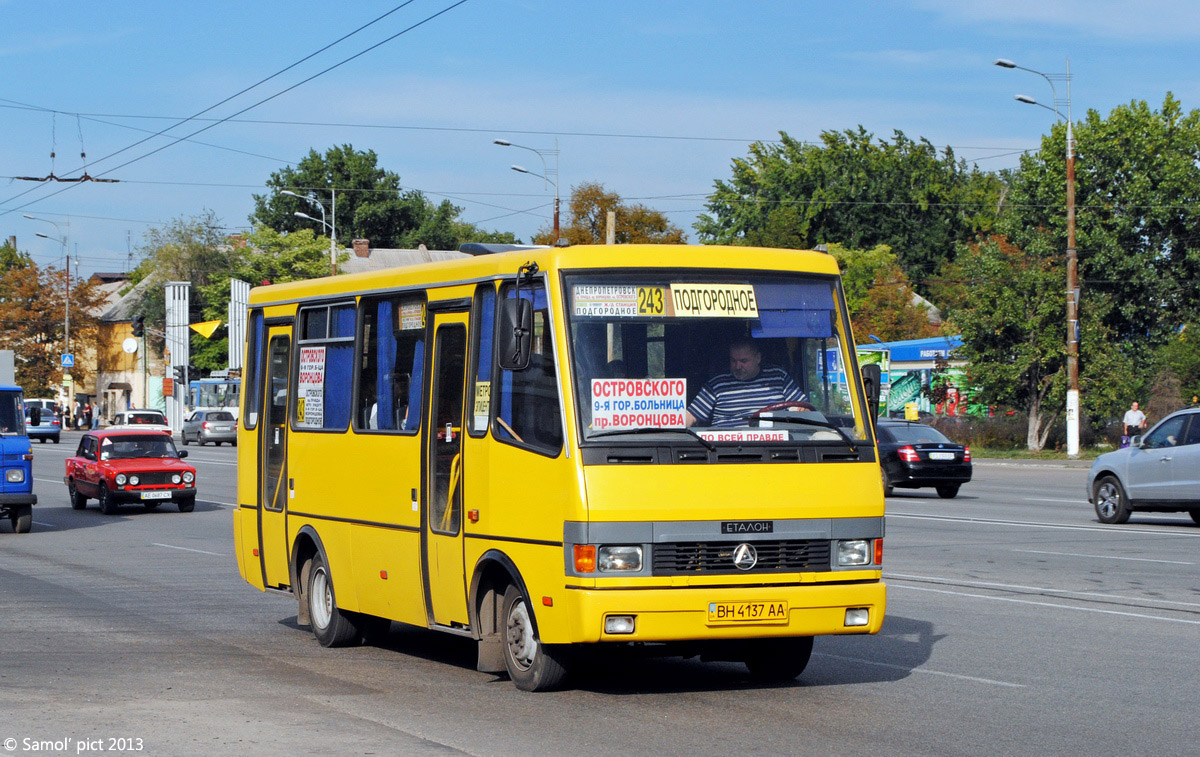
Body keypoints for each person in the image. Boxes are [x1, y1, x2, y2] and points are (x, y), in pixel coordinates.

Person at [686, 338, 807, 428]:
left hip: (774, 447)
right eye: (733, 360)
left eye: (744, 361)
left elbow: (803, 409)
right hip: (725, 450)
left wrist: (801, 410)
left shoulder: (778, 377)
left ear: (758, 358)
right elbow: (691, 416)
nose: (738, 366)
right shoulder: (717, 383)